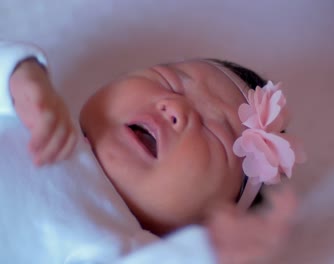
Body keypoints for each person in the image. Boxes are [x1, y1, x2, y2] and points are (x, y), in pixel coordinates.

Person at [0, 41, 303, 263]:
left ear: (206, 222)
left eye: (215, 135)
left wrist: (200, 252)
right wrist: (18, 75)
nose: (176, 109)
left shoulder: (122, 242)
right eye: (169, 82)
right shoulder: (34, 113)